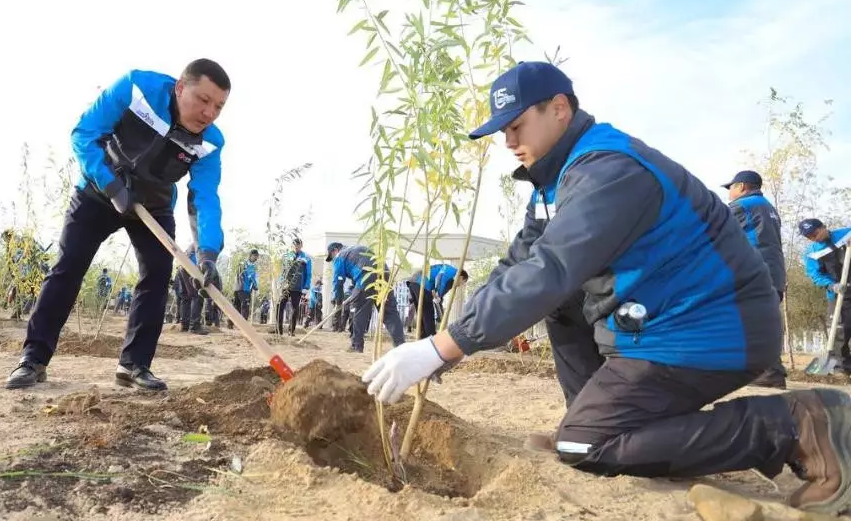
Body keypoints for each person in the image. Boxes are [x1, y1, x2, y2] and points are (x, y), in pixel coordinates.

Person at [361, 61, 851, 515]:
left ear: (559, 108)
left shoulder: (607, 170)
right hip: (666, 320)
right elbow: (519, 265)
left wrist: (443, 348)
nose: (509, 141)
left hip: (712, 326)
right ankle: (599, 418)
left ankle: (795, 424)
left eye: (516, 126)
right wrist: (447, 337)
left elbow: (550, 268)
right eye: (502, 131)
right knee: (562, 312)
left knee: (583, 445)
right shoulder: (553, 185)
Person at [6, 59, 230, 391]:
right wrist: (111, 186)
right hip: (99, 191)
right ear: (181, 87)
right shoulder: (137, 88)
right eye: (203, 99)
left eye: (219, 106)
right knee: (68, 268)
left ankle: (134, 365)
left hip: (153, 208)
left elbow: (204, 198)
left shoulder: (210, 142)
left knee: (156, 276)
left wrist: (208, 254)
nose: (209, 113)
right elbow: (85, 134)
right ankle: (33, 358)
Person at [724, 170, 789, 388]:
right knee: (761, 318)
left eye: (731, 187)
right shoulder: (769, 208)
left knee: (751, 319)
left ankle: (769, 373)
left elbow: (713, 226)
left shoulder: (742, 206)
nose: (729, 193)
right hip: (774, 270)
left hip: (755, 270)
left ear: (741, 186)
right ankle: (766, 371)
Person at [326, 242, 406, 353]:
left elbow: (338, 281)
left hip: (365, 277)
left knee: (359, 310)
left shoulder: (340, 256)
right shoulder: (357, 248)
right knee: (389, 313)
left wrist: (338, 301)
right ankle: (401, 345)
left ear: (335, 250)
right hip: (384, 274)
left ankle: (356, 345)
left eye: (331, 256)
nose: (332, 259)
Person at [800, 218, 851, 374]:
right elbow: (814, 274)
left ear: (823, 227)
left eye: (815, 233)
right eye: (809, 237)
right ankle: (840, 368)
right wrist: (832, 285)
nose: (813, 238)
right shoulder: (811, 253)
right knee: (840, 331)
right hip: (838, 295)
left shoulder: (846, 234)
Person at [406, 264, 469, 339]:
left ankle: (423, 338)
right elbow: (440, 278)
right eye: (463, 282)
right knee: (428, 312)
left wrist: (440, 313)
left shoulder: (451, 275)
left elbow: (439, 297)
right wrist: (438, 296)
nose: (461, 284)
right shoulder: (451, 273)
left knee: (422, 313)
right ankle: (432, 337)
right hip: (422, 283)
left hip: (413, 282)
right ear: (461, 277)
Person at [277, 238, 312, 336]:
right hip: (286, 286)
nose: (296, 247)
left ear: (301, 246)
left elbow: (308, 274)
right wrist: (281, 282)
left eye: (298, 245)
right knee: (280, 306)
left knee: (295, 308)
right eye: (294, 245)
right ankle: (278, 329)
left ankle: (291, 330)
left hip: (298, 286)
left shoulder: (306, 258)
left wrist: (306, 287)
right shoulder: (286, 256)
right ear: (291, 246)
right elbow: (283, 271)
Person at [234, 249, 259, 320]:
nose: (256, 258)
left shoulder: (253, 267)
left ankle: (231, 323)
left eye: (257, 256)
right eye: (255, 256)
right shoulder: (243, 264)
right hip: (243, 288)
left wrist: (255, 286)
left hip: (245, 289)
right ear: (251, 255)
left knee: (238, 306)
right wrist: (254, 284)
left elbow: (253, 278)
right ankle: (243, 324)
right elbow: (242, 275)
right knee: (244, 306)